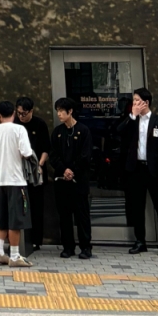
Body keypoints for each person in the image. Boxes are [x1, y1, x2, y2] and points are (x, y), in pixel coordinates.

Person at [119, 88, 158, 255]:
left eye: (137, 100)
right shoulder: (132, 121)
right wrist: (132, 116)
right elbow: (118, 132)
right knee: (137, 206)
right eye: (133, 100)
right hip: (136, 169)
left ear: (146, 102)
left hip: (154, 170)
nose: (134, 103)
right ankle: (140, 241)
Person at [0, 101, 35, 268]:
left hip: (0, 180)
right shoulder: (19, 129)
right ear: (14, 114)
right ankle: (14, 255)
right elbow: (27, 152)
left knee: (2, 217)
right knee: (16, 219)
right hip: (16, 180)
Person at [50, 97, 93, 259]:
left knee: (82, 215)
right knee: (64, 215)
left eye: (62, 111)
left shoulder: (83, 130)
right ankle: (68, 246)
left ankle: (86, 247)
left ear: (70, 111)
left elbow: (85, 156)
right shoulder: (57, 132)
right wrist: (64, 170)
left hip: (79, 180)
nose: (59, 114)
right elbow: (53, 156)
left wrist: (72, 170)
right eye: (58, 111)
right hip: (61, 181)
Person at [16, 96, 50, 249]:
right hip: (20, 171)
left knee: (36, 206)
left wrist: (39, 165)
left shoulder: (39, 124)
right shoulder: (15, 125)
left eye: (24, 113)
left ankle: (36, 240)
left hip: (36, 170)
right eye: (19, 113)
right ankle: (21, 239)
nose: (21, 116)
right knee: (20, 206)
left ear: (31, 111)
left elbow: (46, 148)